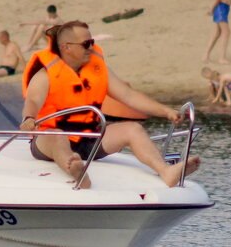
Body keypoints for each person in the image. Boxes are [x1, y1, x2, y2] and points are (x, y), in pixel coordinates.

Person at [21, 21, 199, 189]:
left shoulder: (99, 70)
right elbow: (33, 101)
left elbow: (128, 96)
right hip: (51, 140)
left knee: (133, 129)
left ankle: (166, 171)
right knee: (58, 137)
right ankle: (76, 171)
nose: (91, 48)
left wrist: (166, 111)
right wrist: (29, 118)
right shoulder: (46, 74)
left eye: (92, 42)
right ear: (67, 47)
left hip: (89, 139)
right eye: (86, 44)